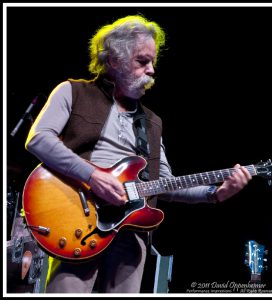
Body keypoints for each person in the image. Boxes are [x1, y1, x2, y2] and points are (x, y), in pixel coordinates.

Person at [25, 15, 252, 293]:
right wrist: (93, 176)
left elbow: (165, 185)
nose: (152, 70)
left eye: (153, 62)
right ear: (114, 60)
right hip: (77, 221)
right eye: (142, 61)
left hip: (132, 234)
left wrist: (214, 194)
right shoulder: (72, 92)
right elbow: (38, 139)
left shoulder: (152, 122)